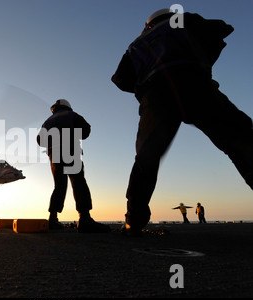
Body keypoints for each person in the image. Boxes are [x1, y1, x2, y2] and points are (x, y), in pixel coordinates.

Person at [111, 9, 253, 236]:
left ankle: (133, 222)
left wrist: (144, 89)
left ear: (148, 24)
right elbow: (221, 30)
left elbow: (120, 79)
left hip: (156, 95)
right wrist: (203, 66)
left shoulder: (135, 44)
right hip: (197, 86)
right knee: (242, 140)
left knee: (146, 159)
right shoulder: (185, 21)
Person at [37, 99, 110, 233]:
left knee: (59, 185)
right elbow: (86, 131)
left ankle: (52, 219)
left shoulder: (47, 121)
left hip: (54, 154)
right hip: (70, 150)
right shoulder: (71, 115)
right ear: (67, 106)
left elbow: (40, 140)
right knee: (78, 182)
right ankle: (84, 219)